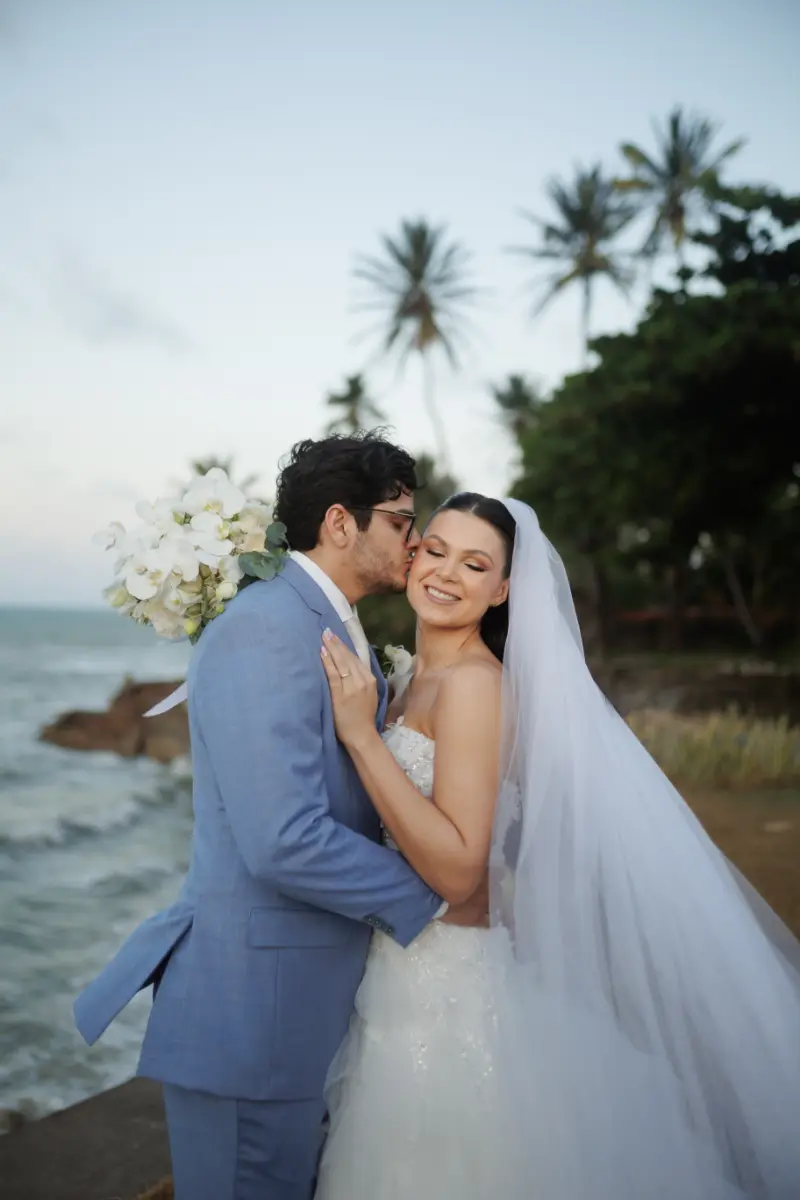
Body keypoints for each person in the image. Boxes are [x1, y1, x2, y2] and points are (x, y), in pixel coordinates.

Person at [315, 492, 800, 1200]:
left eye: (476, 564)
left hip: (445, 987)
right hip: (398, 975)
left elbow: (457, 869)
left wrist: (361, 736)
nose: (447, 573)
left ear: (503, 588)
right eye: (438, 550)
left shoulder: (477, 686)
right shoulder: (413, 679)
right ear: (413, 553)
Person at [73, 434, 483, 1200]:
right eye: (400, 520)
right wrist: (435, 895)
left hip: (302, 1015)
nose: (417, 539)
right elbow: (283, 840)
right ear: (339, 523)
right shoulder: (266, 629)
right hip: (252, 1024)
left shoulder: (326, 625)